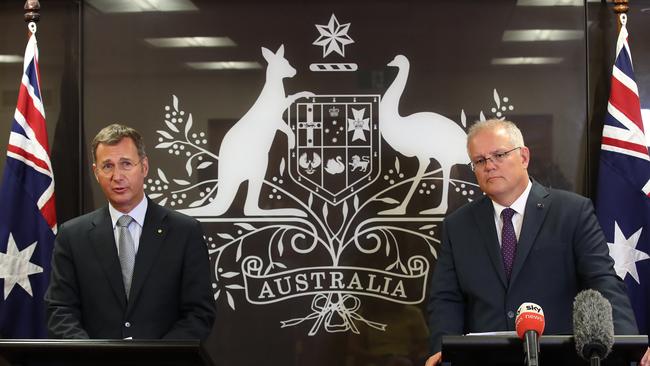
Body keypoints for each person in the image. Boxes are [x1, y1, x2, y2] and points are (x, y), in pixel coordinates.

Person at [425, 119, 647, 365]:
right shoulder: (458, 225)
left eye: (499, 155)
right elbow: (447, 299)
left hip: (559, 358)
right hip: (486, 359)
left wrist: (629, 347)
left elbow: (602, 282)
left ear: (523, 157)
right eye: (479, 160)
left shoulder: (572, 212)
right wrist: (442, 351)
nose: (489, 166)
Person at [45, 123, 215, 339]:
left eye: (126, 164)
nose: (117, 176)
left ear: (144, 167)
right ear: (96, 173)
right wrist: (92, 356)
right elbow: (60, 310)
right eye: (107, 166)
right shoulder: (72, 236)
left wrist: (156, 357)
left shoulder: (184, 232)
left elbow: (199, 313)